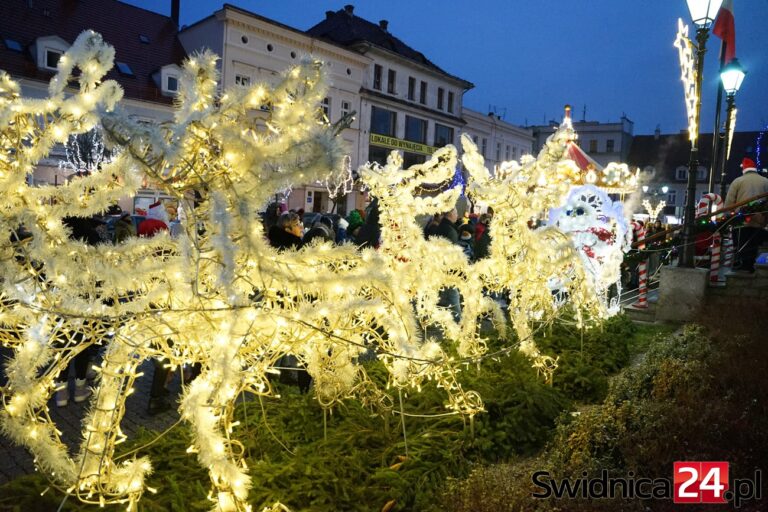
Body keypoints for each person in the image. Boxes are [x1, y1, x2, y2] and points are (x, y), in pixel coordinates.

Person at [725, 157, 768, 273]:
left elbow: (729, 203)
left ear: (744, 169)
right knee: (754, 244)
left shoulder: (738, 181)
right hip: (760, 221)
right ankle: (752, 265)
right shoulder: (765, 181)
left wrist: (729, 216)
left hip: (741, 220)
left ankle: (743, 265)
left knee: (741, 244)